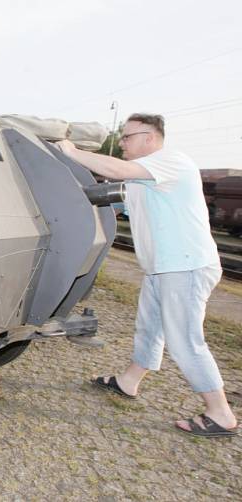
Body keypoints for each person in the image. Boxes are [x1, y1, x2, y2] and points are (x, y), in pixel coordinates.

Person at [57, 113, 238, 438]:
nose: (122, 143)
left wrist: (71, 151)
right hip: (163, 268)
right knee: (150, 328)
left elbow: (118, 170)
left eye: (127, 137)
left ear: (150, 137)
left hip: (186, 266)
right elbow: (110, 200)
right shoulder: (144, 181)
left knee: (185, 341)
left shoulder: (172, 162)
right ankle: (129, 382)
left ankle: (221, 413)